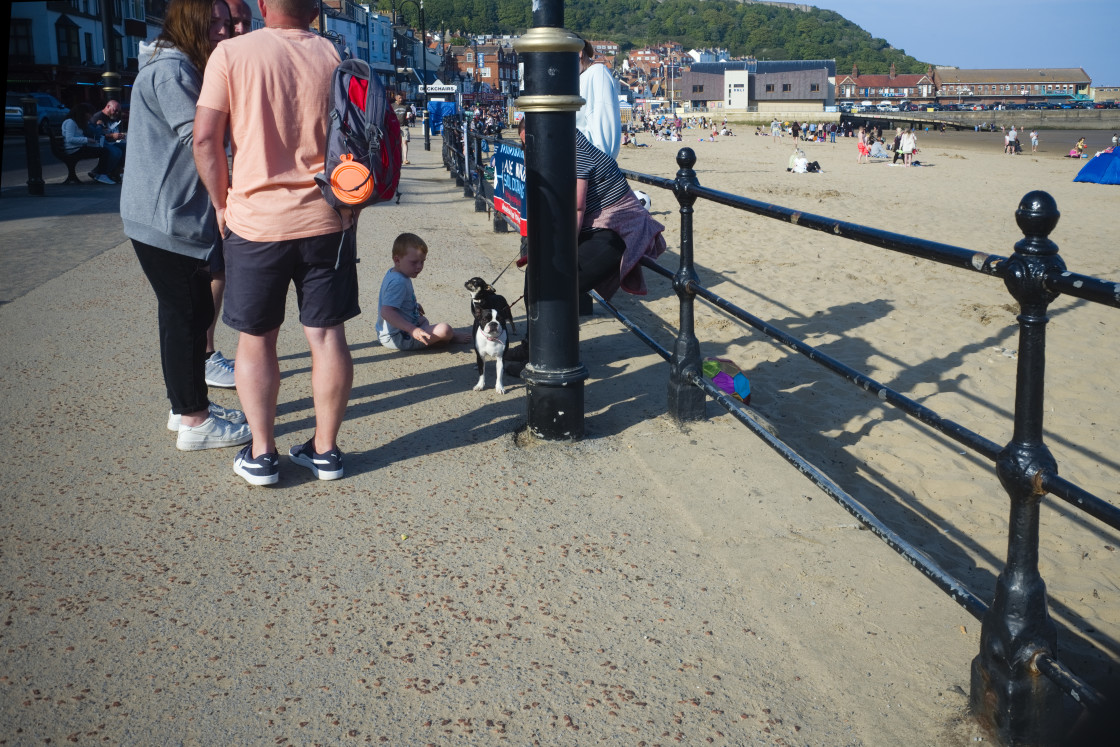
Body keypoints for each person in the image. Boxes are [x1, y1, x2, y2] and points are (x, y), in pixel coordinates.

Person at [195, 0, 360, 486]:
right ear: (314, 9)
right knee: (328, 337)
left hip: (256, 223)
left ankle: (263, 453)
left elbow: (206, 139)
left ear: (264, 6)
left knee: (257, 339)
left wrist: (223, 204)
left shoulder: (232, 54)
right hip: (328, 218)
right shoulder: (336, 57)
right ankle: (326, 451)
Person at [121, 0, 251, 452]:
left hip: (162, 215)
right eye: (212, 23)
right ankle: (196, 421)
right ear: (188, 23)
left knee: (183, 317)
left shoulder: (174, 64)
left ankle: (185, 408)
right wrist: (231, 194)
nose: (222, 30)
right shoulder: (172, 70)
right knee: (189, 318)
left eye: (225, 22)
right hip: (169, 218)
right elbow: (201, 139)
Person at [201, 0, 254, 390]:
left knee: (217, 270)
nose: (235, 30)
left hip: (225, 183)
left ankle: (204, 351)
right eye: (229, 22)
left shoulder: (236, 58)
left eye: (242, 23)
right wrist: (221, 201)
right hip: (206, 189)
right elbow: (202, 138)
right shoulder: (211, 62)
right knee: (213, 270)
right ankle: (203, 355)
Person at [377, 233, 471, 350]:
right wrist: (412, 329)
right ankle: (449, 338)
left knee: (423, 319)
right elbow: (386, 312)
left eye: (422, 262)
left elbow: (395, 301)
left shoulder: (396, 273)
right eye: (414, 262)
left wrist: (413, 306)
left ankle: (433, 339)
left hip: (398, 330)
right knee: (445, 329)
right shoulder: (398, 282)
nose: (419, 266)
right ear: (397, 260)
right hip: (397, 337)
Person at [575, 36, 620, 158]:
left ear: (579, 53)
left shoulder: (597, 73)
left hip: (590, 167)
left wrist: (597, 166)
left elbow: (605, 124)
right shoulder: (579, 79)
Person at [61, 103, 120, 184]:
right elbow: (70, 139)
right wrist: (87, 140)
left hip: (78, 147)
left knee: (105, 150)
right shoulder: (70, 122)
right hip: (73, 149)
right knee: (105, 151)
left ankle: (102, 173)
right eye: (90, 114)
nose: (91, 117)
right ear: (84, 113)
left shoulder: (78, 122)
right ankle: (100, 173)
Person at [393, 92, 410, 165]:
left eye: (402, 98)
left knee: (404, 142)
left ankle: (405, 159)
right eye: (399, 98)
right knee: (396, 143)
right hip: (395, 126)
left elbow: (410, 113)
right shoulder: (392, 106)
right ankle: (398, 159)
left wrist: (410, 115)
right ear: (396, 98)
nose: (401, 99)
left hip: (404, 126)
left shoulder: (406, 106)